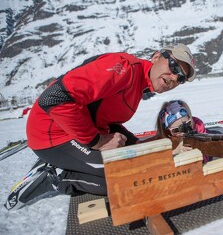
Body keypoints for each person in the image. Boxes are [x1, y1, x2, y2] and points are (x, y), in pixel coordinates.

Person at [4, 43, 196, 210]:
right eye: (174, 66)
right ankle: (55, 177)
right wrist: (97, 141)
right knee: (125, 180)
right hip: (51, 134)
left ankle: (72, 161)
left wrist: (137, 144)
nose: (174, 77)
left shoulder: (140, 83)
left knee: (141, 162)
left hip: (81, 129)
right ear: (156, 57)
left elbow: (104, 116)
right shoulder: (124, 68)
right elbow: (53, 98)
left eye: (181, 78)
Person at [152, 100, 223, 163]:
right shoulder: (164, 138)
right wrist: (175, 152)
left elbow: (206, 157)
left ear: (191, 119)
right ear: (167, 131)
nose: (183, 132)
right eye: (176, 130)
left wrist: (196, 151)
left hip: (207, 135)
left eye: (188, 124)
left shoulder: (198, 126)